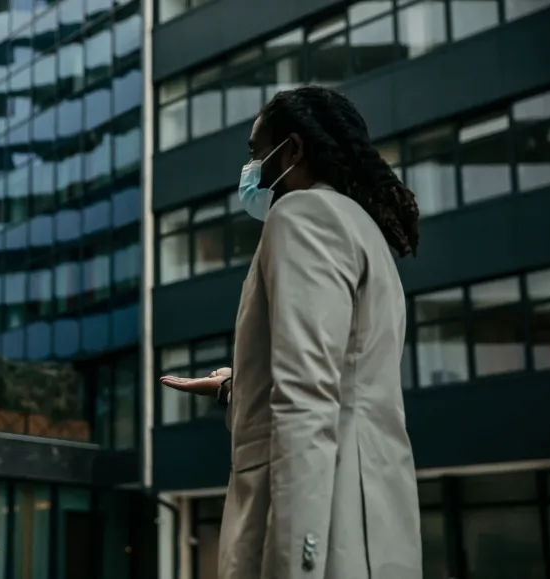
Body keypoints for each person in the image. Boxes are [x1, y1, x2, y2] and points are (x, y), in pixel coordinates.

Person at [161, 86, 422, 578]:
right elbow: (348, 374)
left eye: (257, 152)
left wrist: (296, 560)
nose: (251, 168)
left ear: (294, 150)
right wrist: (236, 388)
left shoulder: (303, 215)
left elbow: (309, 395)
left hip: (322, 532)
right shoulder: (361, 229)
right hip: (366, 523)